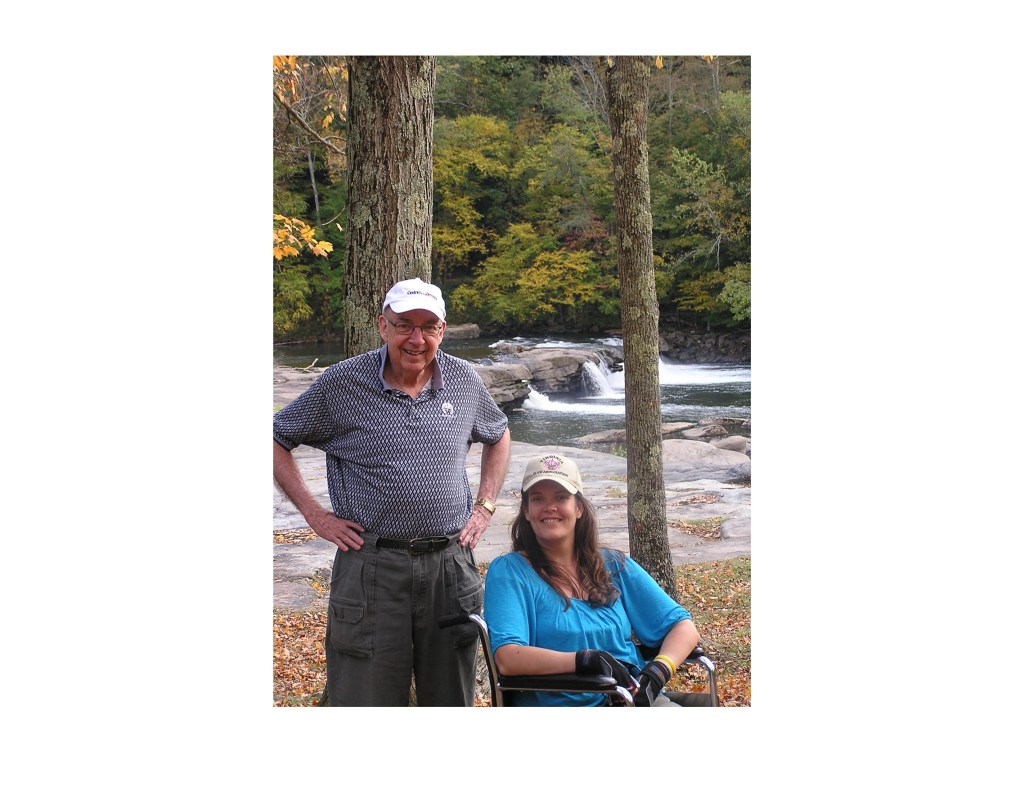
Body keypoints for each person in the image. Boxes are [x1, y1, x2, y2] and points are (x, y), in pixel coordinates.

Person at [273, 277, 511, 706]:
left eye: (428, 326)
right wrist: (314, 514)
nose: (415, 338)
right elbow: (276, 436)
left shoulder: (463, 380)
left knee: (450, 701)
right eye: (404, 325)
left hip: (449, 567)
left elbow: (498, 433)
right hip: (371, 570)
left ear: (442, 330)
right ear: (383, 326)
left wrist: (485, 505)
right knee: (367, 701)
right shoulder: (343, 383)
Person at [483, 453, 700, 706]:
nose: (549, 507)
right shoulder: (510, 572)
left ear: (579, 508)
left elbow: (683, 627)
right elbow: (508, 658)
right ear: (527, 511)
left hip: (634, 700)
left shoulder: (613, 565)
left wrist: (659, 670)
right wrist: (585, 660)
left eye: (561, 497)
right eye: (537, 498)